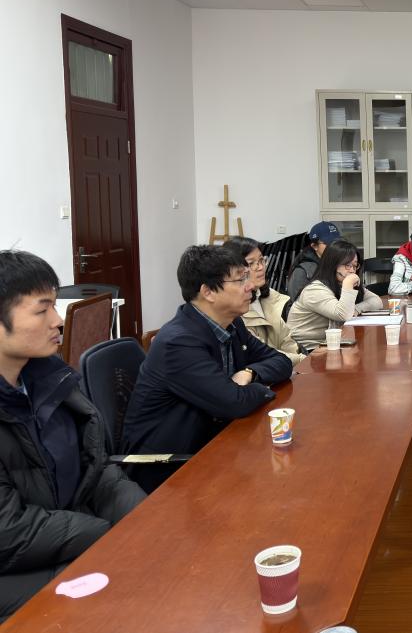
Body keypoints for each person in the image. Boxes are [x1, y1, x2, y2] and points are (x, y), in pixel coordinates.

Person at [0, 251, 145, 619]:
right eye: (42, 310)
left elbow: (97, 467)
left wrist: (141, 517)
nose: (59, 320)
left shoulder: (50, 378)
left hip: (72, 540)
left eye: (55, 305)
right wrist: (107, 535)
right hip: (15, 570)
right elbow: (9, 532)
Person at [123, 245, 293, 492]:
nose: (250, 286)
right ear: (208, 292)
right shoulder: (179, 343)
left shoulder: (232, 325)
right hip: (170, 469)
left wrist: (250, 373)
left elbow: (281, 362)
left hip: (217, 444)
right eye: (240, 280)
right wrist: (261, 388)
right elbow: (234, 402)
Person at [220, 237, 305, 367]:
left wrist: (300, 363)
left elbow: (287, 340)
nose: (260, 267)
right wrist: (301, 360)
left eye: (261, 260)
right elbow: (261, 353)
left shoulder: (271, 297)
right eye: (251, 263)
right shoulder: (234, 310)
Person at [287, 240, 383, 349]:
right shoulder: (315, 290)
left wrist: (356, 309)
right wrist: (348, 285)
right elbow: (343, 314)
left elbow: (376, 301)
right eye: (347, 265)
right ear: (332, 264)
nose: (352, 271)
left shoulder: (340, 283)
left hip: (331, 344)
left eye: (355, 265)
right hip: (307, 349)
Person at [285, 221, 341, 305]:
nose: (334, 247)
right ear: (315, 246)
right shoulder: (303, 271)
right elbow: (297, 304)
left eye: (337, 243)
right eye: (329, 243)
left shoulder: (339, 265)